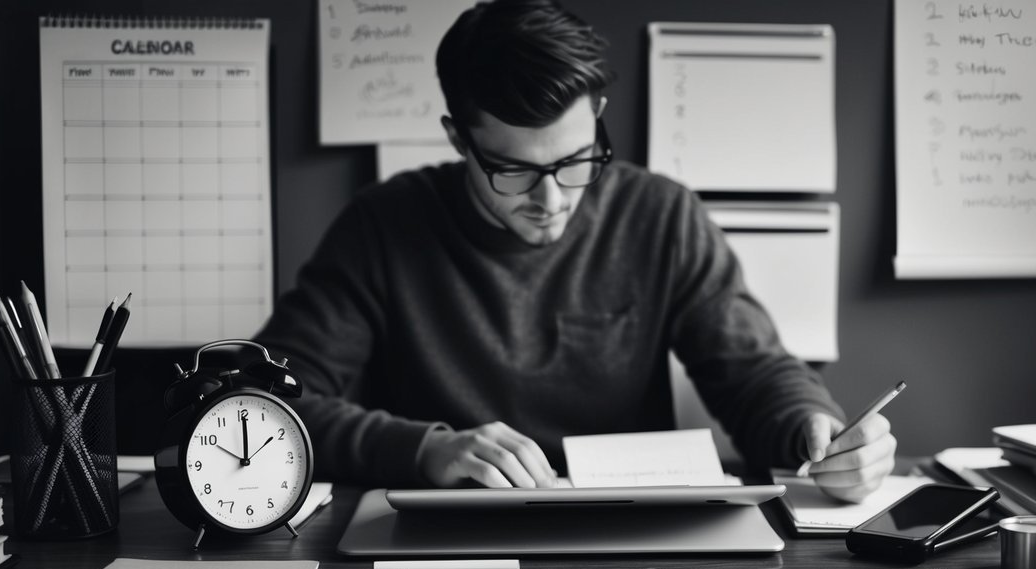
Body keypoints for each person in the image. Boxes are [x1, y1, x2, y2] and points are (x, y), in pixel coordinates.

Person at [253, 0, 896, 501]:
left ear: (598, 117)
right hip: (446, 537)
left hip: (635, 531)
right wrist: (423, 450)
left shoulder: (660, 214)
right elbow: (268, 401)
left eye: (577, 161)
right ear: (457, 139)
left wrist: (814, 427)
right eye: (513, 171)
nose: (553, 199)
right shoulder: (382, 226)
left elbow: (753, 372)